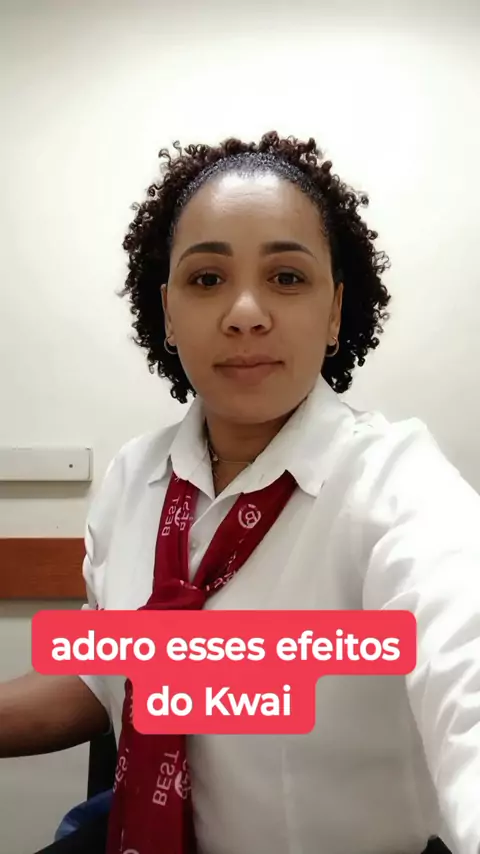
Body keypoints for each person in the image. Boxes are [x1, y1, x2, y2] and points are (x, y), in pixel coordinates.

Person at [1, 130, 479, 854]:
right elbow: (107, 673)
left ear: (333, 311)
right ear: (168, 313)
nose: (246, 311)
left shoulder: (396, 483)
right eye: (206, 279)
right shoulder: (134, 477)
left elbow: (463, 651)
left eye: (286, 277)